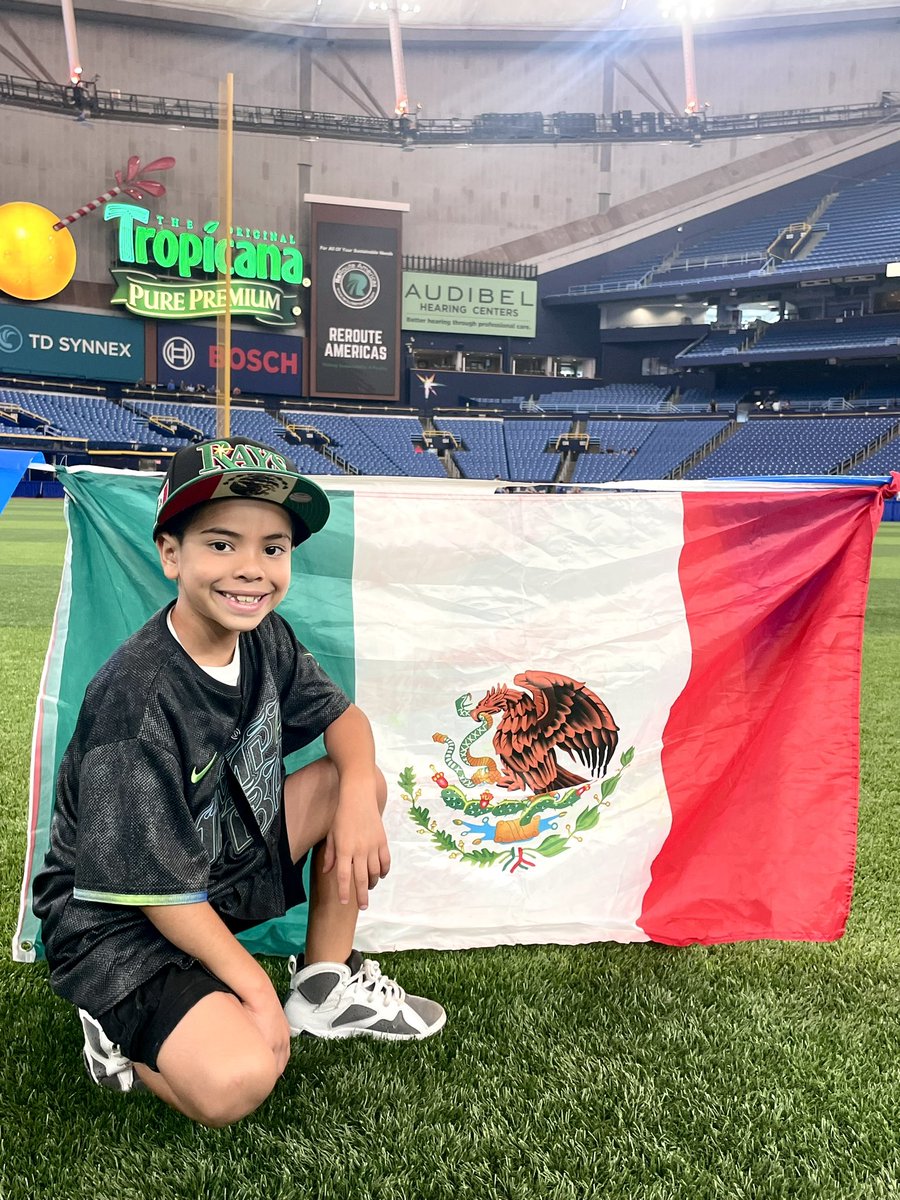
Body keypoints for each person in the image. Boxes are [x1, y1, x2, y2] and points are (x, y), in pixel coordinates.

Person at [32, 437, 445, 1127]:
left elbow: (346, 722)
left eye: (273, 548)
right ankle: (115, 1029)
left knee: (356, 782)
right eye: (222, 545)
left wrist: (356, 805)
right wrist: (253, 989)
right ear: (172, 554)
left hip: (206, 867)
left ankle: (321, 986)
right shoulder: (137, 700)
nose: (251, 570)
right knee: (241, 1079)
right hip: (117, 919)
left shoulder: (265, 637)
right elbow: (153, 893)